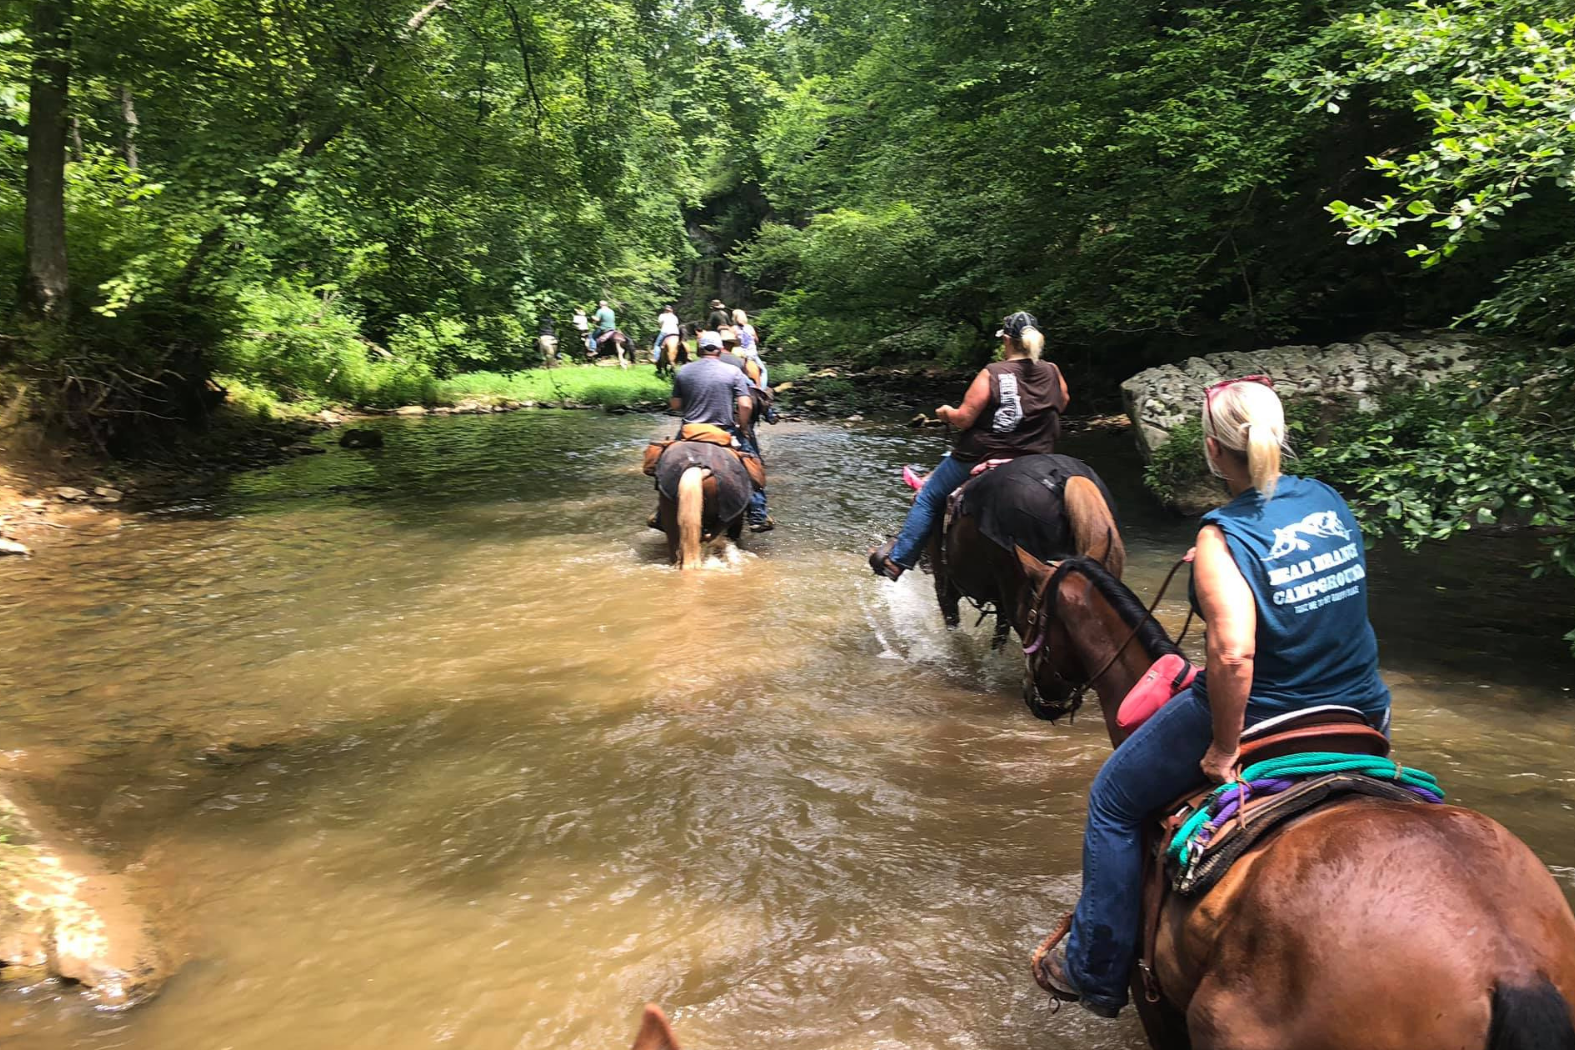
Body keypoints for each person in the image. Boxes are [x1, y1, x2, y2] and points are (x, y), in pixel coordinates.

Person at [1036, 376, 1393, 1019]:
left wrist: (1225, 751)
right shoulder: (1329, 499)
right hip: (1362, 702)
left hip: (1269, 709)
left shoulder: (1221, 535)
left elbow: (1233, 655)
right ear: (1280, 437)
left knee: (1113, 802)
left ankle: (1094, 967)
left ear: (1212, 451)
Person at [869, 311, 1068, 579]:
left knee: (928, 496)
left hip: (984, 453)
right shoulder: (1052, 371)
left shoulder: (993, 372)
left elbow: (965, 419)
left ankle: (898, 560)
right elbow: (1063, 402)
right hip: (1038, 455)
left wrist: (945, 413)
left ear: (1007, 340)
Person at [718, 327, 773, 531]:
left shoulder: (695, 366)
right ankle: (758, 516)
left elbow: (678, 404)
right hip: (730, 423)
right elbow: (750, 398)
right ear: (732, 345)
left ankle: (663, 511)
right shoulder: (739, 364)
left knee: (667, 460)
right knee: (752, 465)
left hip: (696, 425)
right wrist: (743, 427)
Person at [672, 331, 752, 433]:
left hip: (691, 429)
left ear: (700, 349)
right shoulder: (734, 371)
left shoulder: (683, 370)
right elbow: (745, 405)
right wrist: (743, 428)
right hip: (723, 430)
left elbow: (675, 405)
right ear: (720, 350)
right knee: (748, 448)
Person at [731, 309, 766, 386]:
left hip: (740, 355)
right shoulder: (750, 327)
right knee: (764, 371)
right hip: (752, 354)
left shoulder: (733, 329)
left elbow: (731, 341)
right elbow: (756, 340)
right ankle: (762, 389)